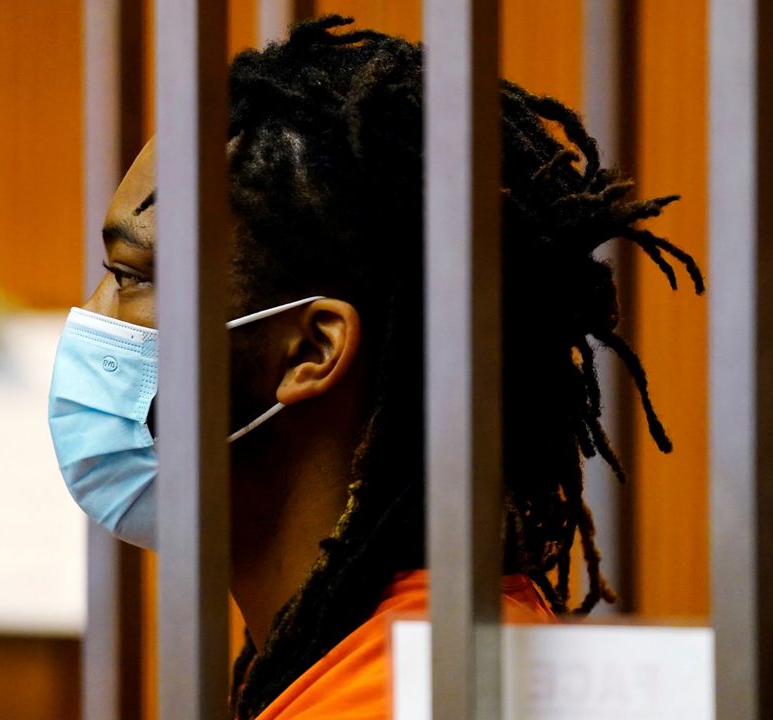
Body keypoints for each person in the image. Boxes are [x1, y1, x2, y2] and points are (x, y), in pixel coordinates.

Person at [48, 15, 704, 720]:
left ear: (310, 349)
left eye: (131, 275)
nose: (91, 314)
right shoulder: (379, 658)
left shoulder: (392, 697)